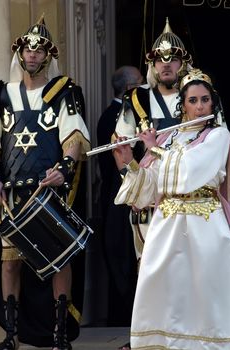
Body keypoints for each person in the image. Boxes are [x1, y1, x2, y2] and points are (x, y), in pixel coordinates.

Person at [113, 68, 230, 349]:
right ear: (183, 104)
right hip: (168, 224)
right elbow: (152, 186)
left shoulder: (219, 135)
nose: (199, 106)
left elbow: (190, 171)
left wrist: (153, 150)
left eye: (204, 100)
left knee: (205, 290)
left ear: (213, 102)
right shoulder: (170, 137)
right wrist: (130, 160)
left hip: (206, 223)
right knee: (165, 289)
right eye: (193, 100)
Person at [0, 15, 91, 350]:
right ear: (19, 54)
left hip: (48, 190)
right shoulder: (4, 95)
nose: (32, 55)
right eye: (27, 50)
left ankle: (59, 335)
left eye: (39, 50)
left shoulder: (62, 93)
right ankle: (11, 335)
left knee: (59, 259)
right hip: (13, 193)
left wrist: (65, 168)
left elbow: (74, 136)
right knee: (10, 262)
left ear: (48, 55)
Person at [113, 17, 196, 265]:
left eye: (173, 59)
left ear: (184, 63)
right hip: (148, 200)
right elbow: (120, 149)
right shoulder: (136, 99)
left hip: (188, 200)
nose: (166, 65)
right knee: (148, 272)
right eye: (160, 59)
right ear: (153, 64)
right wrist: (135, 187)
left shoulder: (198, 97)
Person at [96, 66, 143, 326]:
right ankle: (124, 316)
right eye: (140, 83)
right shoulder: (115, 116)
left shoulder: (112, 113)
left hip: (125, 194)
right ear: (129, 89)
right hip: (121, 194)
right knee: (123, 256)